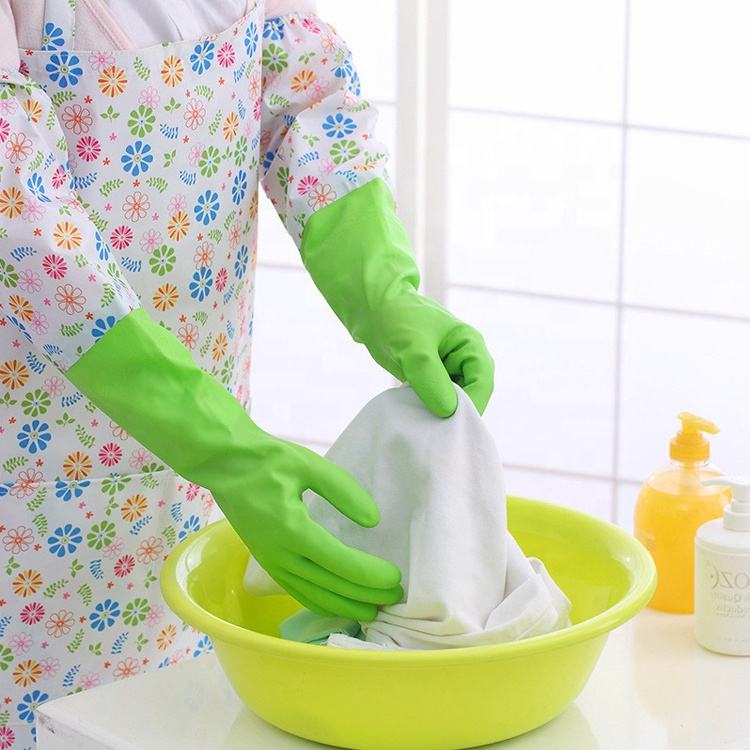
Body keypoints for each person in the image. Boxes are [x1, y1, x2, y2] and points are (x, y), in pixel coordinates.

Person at [0, 0, 494, 745]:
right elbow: (19, 217)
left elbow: (301, 95)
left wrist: (384, 289)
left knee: (162, 714)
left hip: (190, 469)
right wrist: (226, 449)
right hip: (29, 492)